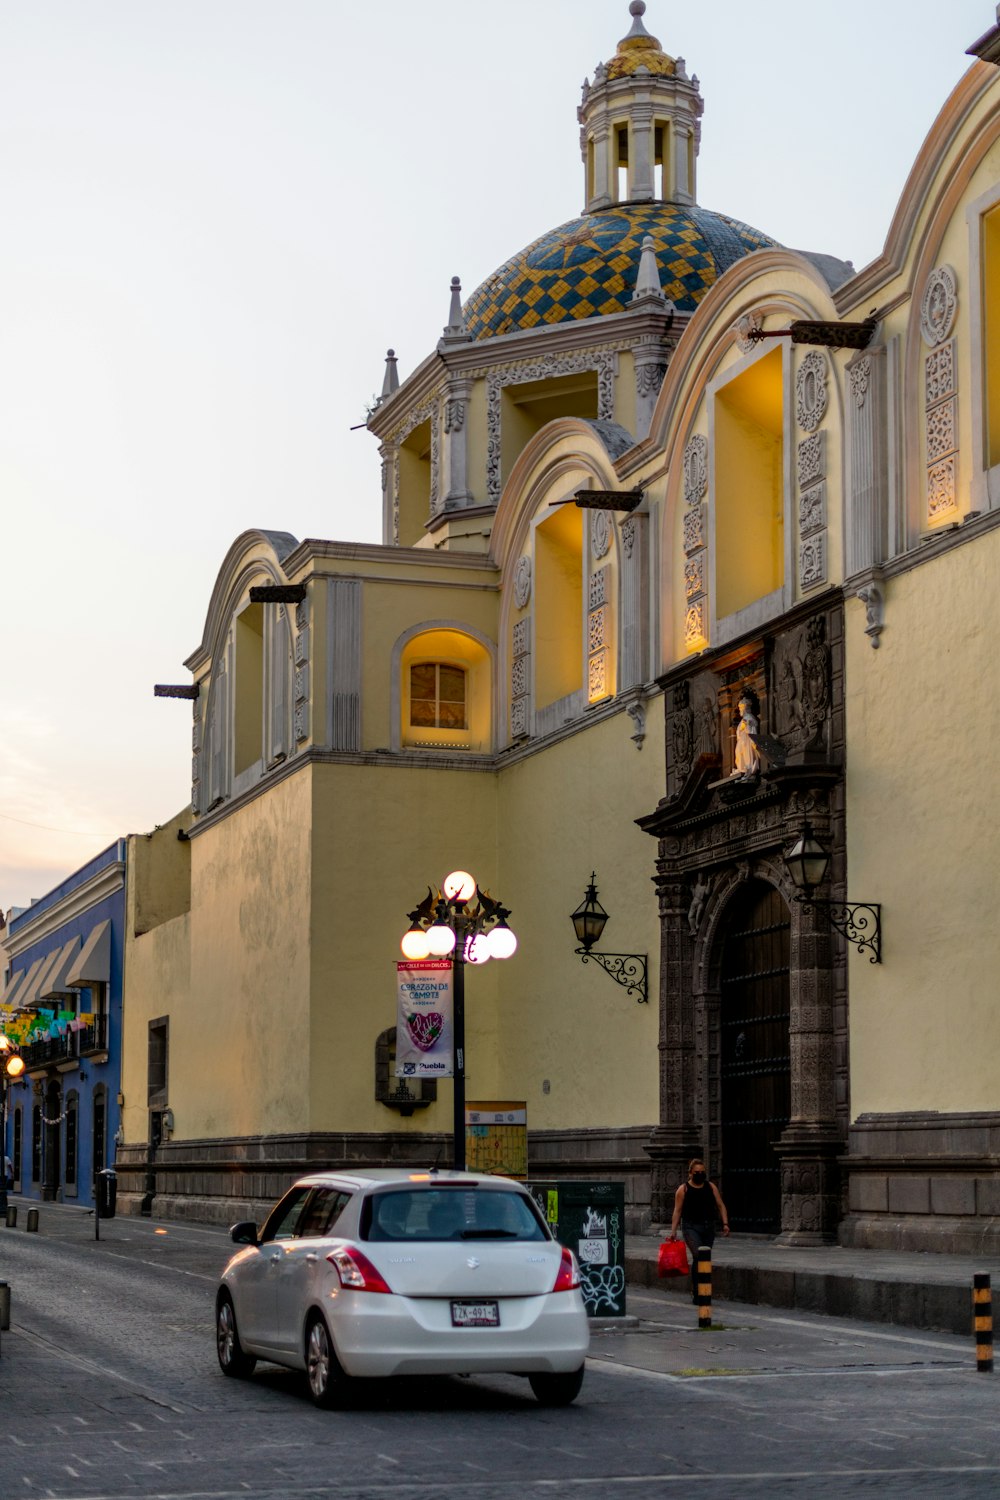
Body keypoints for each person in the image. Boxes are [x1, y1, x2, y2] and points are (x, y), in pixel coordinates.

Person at [670, 1158, 730, 1301]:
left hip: (708, 1227)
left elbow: (720, 1205)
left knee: (705, 1259)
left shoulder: (710, 1187)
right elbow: (677, 1211)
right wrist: (673, 1231)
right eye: (697, 1172)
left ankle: (702, 1290)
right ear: (690, 1173)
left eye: (702, 1172)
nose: (700, 1174)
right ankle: (698, 1291)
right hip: (690, 1227)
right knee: (699, 1256)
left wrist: (725, 1223)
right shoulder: (683, 1189)